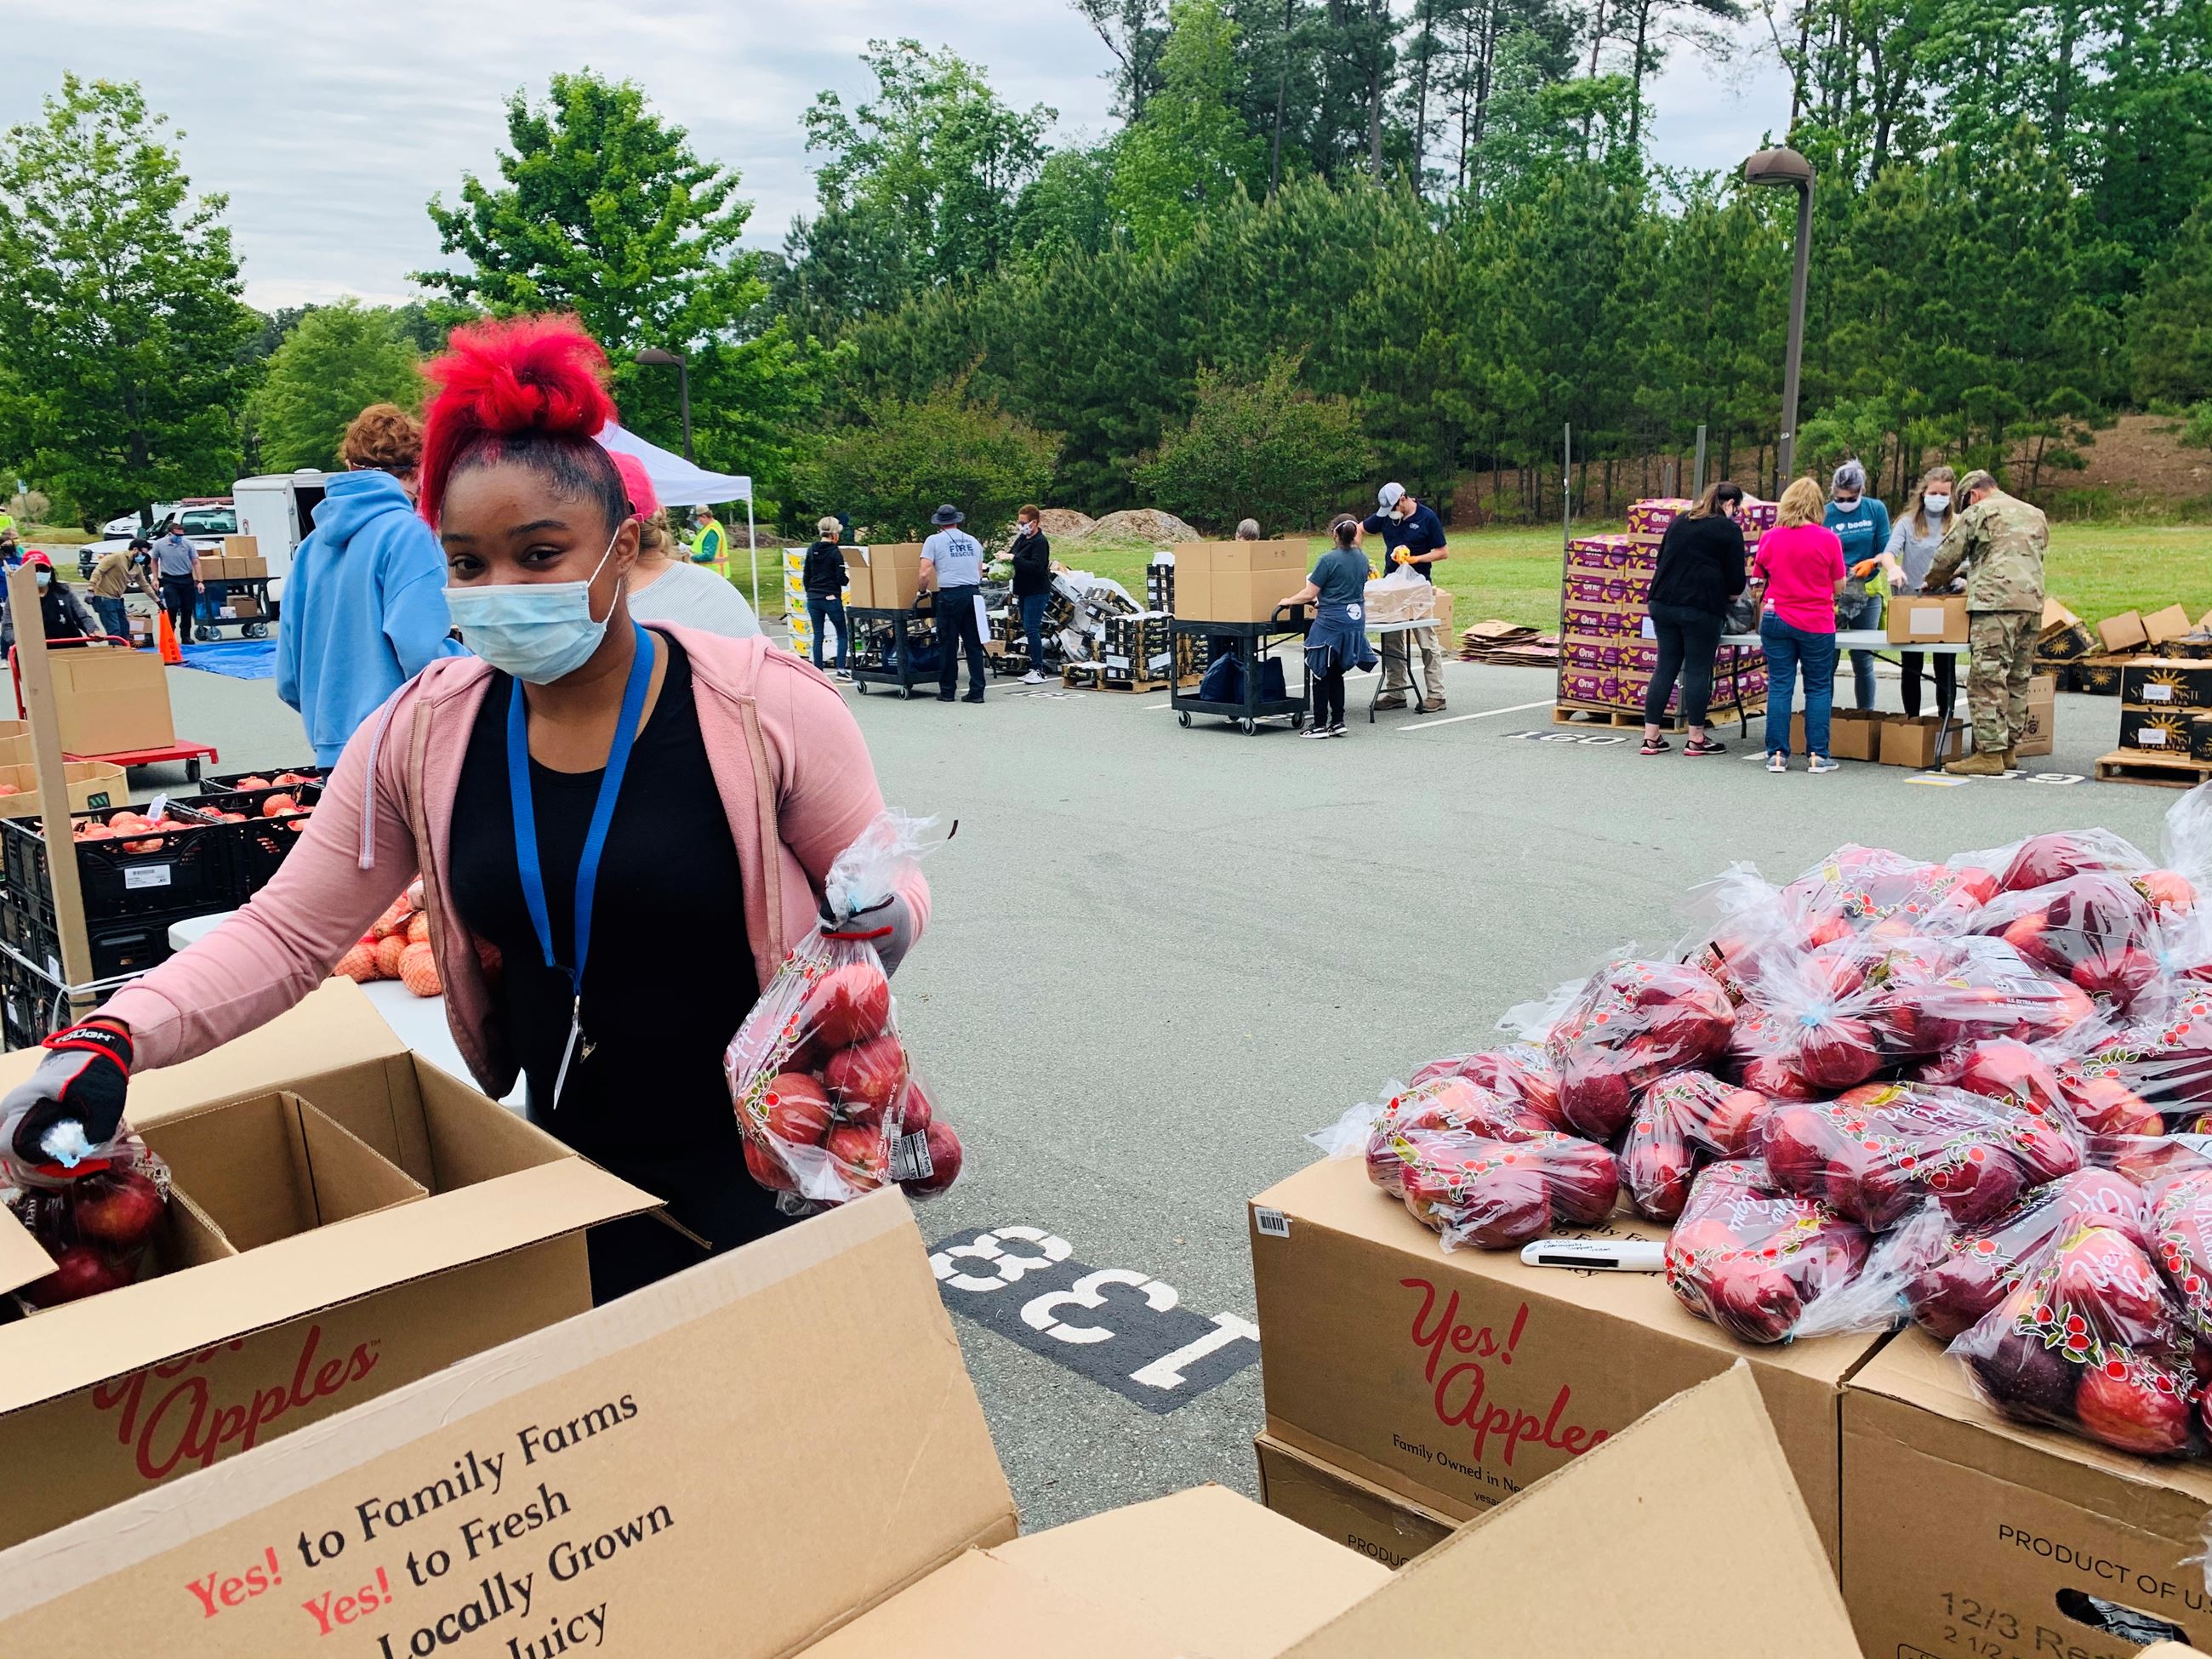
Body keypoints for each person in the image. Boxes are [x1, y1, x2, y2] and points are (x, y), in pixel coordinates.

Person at [0, 314, 928, 1306]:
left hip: (779, 1154)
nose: (499, 591)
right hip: (564, 1160)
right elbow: (285, 932)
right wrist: (110, 1035)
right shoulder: (424, 732)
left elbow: (890, 892)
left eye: (538, 555)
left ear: (620, 548)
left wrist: (886, 914)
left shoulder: (761, 705)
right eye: (468, 564)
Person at [276, 404, 465, 767]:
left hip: (332, 754)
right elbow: (421, 652)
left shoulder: (311, 547)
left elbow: (288, 679)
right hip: (397, 750)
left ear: (349, 466)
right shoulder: (409, 535)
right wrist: (482, 667)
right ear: (419, 469)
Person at [1924, 469, 2049, 777]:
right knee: (2017, 678)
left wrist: (1934, 581)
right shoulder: (2035, 514)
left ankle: (1988, 754)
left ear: (1973, 495)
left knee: (1987, 679)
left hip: (1996, 606)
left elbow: (1946, 557)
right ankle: (2008, 749)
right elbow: (2016, 555)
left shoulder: (1979, 512)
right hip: (2031, 603)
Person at [1640, 481, 1747, 758]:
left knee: (1665, 666)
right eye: (1737, 508)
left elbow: (1660, 560)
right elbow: (1736, 581)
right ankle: (1696, 738)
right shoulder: (1729, 529)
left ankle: (1651, 737)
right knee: (1699, 669)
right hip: (1700, 606)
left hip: (1662, 601)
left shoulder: (1680, 521)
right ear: (1730, 504)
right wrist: (1733, 596)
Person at [1753, 477, 1847, 774]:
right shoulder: (1828, 539)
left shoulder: (1770, 537)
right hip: (1815, 620)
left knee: (1780, 686)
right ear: (1818, 506)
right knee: (1818, 687)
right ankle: (1819, 755)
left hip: (1776, 615)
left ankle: (1777, 755)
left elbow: (1759, 577)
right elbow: (1839, 586)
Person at [613, 462, 762, 641]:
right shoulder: (722, 596)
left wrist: (692, 555)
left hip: (712, 574)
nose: (696, 522)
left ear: (704, 516)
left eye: (698, 518)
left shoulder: (712, 531)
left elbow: (708, 554)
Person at [1880, 465, 1959, 727]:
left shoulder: (1957, 523)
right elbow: (1889, 552)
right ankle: (1912, 722)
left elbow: (1970, 558)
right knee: (1911, 666)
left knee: (1944, 668)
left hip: (1945, 602)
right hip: (1912, 601)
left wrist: (1961, 578)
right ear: (1924, 493)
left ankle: (1944, 723)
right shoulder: (1907, 523)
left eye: (1943, 493)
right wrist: (1893, 568)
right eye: (1934, 492)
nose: (1938, 498)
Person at [1285, 517, 1377, 738]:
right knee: (1337, 672)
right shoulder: (1362, 559)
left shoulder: (1327, 559)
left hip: (1331, 622)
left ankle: (1318, 724)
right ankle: (1337, 720)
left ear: (1334, 535)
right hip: (1354, 620)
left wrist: (1287, 600)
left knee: (1320, 670)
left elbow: (1309, 593)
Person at [1362, 482, 1450, 712]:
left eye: (1393, 507)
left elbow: (1442, 552)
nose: (1391, 513)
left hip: (1418, 587)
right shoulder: (1385, 517)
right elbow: (1358, 528)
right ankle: (1396, 691)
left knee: (1426, 640)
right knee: (1392, 640)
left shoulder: (1426, 518)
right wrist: (1359, 557)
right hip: (1392, 587)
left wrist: (1415, 559)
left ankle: (1436, 695)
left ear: (1403, 499)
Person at [1824, 460, 1891, 712]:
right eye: (1840, 499)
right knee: (1827, 660)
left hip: (1866, 589)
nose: (1845, 503)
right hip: (1833, 593)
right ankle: (1823, 716)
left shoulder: (1875, 509)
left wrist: (1873, 561)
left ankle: (1866, 715)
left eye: (1851, 498)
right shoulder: (1826, 513)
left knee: (1863, 659)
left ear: (1861, 491)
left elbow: (1887, 548)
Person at [921, 503, 988, 704]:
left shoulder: (933, 541)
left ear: (939, 524)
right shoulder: (973, 541)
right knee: (974, 644)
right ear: (957, 521)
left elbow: (924, 571)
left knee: (948, 643)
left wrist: (922, 590)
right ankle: (977, 691)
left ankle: (948, 690)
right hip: (973, 594)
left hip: (950, 595)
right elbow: (979, 570)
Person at [0, 551, 99, 653]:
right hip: (34, 653)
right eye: (34, 569)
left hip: (70, 647)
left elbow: (81, 616)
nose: (39, 573)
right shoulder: (16, 597)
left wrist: (93, 630)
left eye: (43, 569)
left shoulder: (63, 592)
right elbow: (8, 627)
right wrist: (19, 641)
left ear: (50, 571)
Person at [801, 514, 852, 678]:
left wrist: (811, 592)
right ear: (834, 534)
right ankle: (841, 670)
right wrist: (847, 578)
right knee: (842, 633)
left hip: (814, 598)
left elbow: (806, 576)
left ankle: (818, 670)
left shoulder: (812, 549)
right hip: (830, 596)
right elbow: (840, 578)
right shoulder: (835, 552)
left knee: (818, 634)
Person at [1008, 505, 1052, 685]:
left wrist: (1014, 560)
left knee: (1032, 628)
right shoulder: (1022, 538)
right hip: (1023, 590)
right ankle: (1033, 667)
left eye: (1024, 523)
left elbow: (1036, 566)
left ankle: (1038, 669)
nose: (1021, 526)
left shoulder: (1040, 542)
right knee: (1027, 627)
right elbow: (1012, 554)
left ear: (1034, 522)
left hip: (1037, 591)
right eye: (1019, 522)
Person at [88, 538, 157, 641]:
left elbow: (144, 585)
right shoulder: (116, 557)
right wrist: (91, 588)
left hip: (117, 598)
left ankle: (125, 652)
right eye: (143, 553)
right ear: (135, 549)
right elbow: (98, 571)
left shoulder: (137, 567)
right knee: (114, 630)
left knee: (125, 630)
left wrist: (157, 600)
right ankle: (116, 653)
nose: (143, 556)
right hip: (104, 597)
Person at [151, 515, 200, 645]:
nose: (179, 538)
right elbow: (154, 561)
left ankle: (186, 635)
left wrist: (199, 580)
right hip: (169, 579)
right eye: (177, 535)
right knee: (172, 607)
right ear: (170, 533)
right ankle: (170, 634)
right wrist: (155, 578)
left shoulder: (188, 544)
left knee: (187, 608)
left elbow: (195, 561)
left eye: (181, 535)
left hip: (186, 578)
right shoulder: (159, 544)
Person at [687, 505, 727, 573]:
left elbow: (708, 556)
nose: (695, 523)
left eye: (696, 519)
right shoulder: (711, 526)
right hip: (711, 572)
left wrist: (691, 556)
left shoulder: (711, 532)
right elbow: (702, 544)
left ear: (704, 516)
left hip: (713, 572)